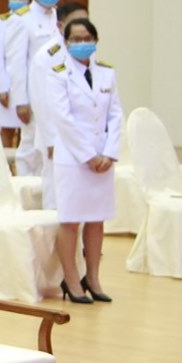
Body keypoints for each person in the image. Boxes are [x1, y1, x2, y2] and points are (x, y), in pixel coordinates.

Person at [45, 17, 122, 304]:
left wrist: (110, 152)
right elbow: (63, 118)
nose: (82, 43)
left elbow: (115, 114)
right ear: (66, 43)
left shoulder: (106, 73)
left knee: (96, 220)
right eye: (76, 39)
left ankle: (94, 277)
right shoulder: (58, 73)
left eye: (87, 38)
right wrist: (89, 156)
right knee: (71, 220)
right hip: (74, 158)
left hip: (103, 158)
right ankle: (72, 279)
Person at [12, 0, 67, 176]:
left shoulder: (59, 16)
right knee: (30, 146)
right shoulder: (22, 18)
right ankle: (25, 186)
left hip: (59, 92)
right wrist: (21, 100)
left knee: (53, 144)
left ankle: (47, 185)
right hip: (35, 95)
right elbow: (17, 63)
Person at [0, 0, 35, 149]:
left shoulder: (34, 20)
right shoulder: (1, 22)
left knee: (29, 129)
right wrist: (2, 87)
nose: (18, 0)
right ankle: (6, 163)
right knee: (7, 129)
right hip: (9, 84)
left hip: (30, 84)